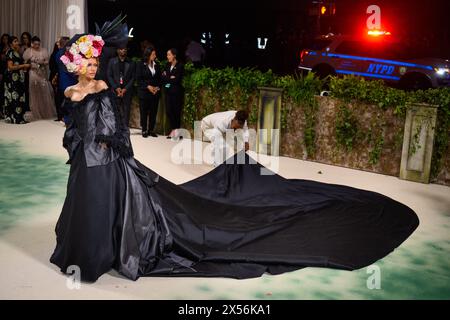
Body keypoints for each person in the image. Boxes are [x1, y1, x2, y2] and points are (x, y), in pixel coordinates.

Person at [50, 32, 419, 283]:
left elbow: (113, 129)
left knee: (113, 207)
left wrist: (104, 143)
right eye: (88, 62)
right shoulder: (72, 95)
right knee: (87, 208)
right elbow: (74, 130)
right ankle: (87, 255)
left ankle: (104, 252)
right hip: (86, 163)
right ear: (75, 66)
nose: (93, 67)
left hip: (108, 161)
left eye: (96, 61)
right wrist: (80, 142)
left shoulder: (101, 90)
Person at [23, 36, 56, 120]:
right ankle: (35, 112)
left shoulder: (43, 50)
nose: (37, 46)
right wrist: (31, 64)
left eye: (38, 44)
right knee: (34, 92)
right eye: (35, 44)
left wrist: (42, 62)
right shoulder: (28, 51)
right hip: (33, 73)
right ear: (32, 44)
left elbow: (47, 62)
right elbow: (25, 62)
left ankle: (44, 112)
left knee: (44, 91)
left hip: (42, 73)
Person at [3, 36, 31, 124]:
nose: (17, 43)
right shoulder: (10, 52)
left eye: (17, 41)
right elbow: (10, 67)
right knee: (14, 97)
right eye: (15, 41)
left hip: (18, 79)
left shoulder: (17, 52)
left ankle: (18, 117)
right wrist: (23, 66)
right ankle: (15, 118)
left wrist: (24, 67)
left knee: (19, 97)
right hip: (12, 79)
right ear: (11, 44)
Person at [107, 44, 135, 127]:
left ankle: (125, 128)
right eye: (121, 49)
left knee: (126, 110)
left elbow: (133, 78)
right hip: (115, 90)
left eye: (125, 49)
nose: (123, 50)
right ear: (117, 50)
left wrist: (125, 89)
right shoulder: (112, 61)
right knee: (114, 109)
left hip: (127, 90)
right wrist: (116, 87)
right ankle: (116, 127)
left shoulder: (131, 62)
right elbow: (109, 75)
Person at [136, 46, 161, 137]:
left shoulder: (157, 64)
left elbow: (159, 78)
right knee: (144, 112)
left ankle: (151, 130)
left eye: (154, 54)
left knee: (153, 112)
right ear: (148, 54)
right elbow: (138, 79)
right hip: (144, 92)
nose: (155, 56)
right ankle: (144, 130)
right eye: (153, 54)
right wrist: (148, 86)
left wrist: (157, 87)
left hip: (154, 93)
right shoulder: (140, 64)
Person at [162, 48, 184, 139]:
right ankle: (174, 129)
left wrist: (169, 78)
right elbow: (163, 78)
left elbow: (177, 80)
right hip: (168, 92)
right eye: (167, 55)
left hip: (176, 93)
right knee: (169, 111)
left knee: (176, 112)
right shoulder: (167, 65)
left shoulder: (180, 66)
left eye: (169, 55)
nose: (168, 57)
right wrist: (169, 78)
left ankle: (176, 131)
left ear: (174, 55)